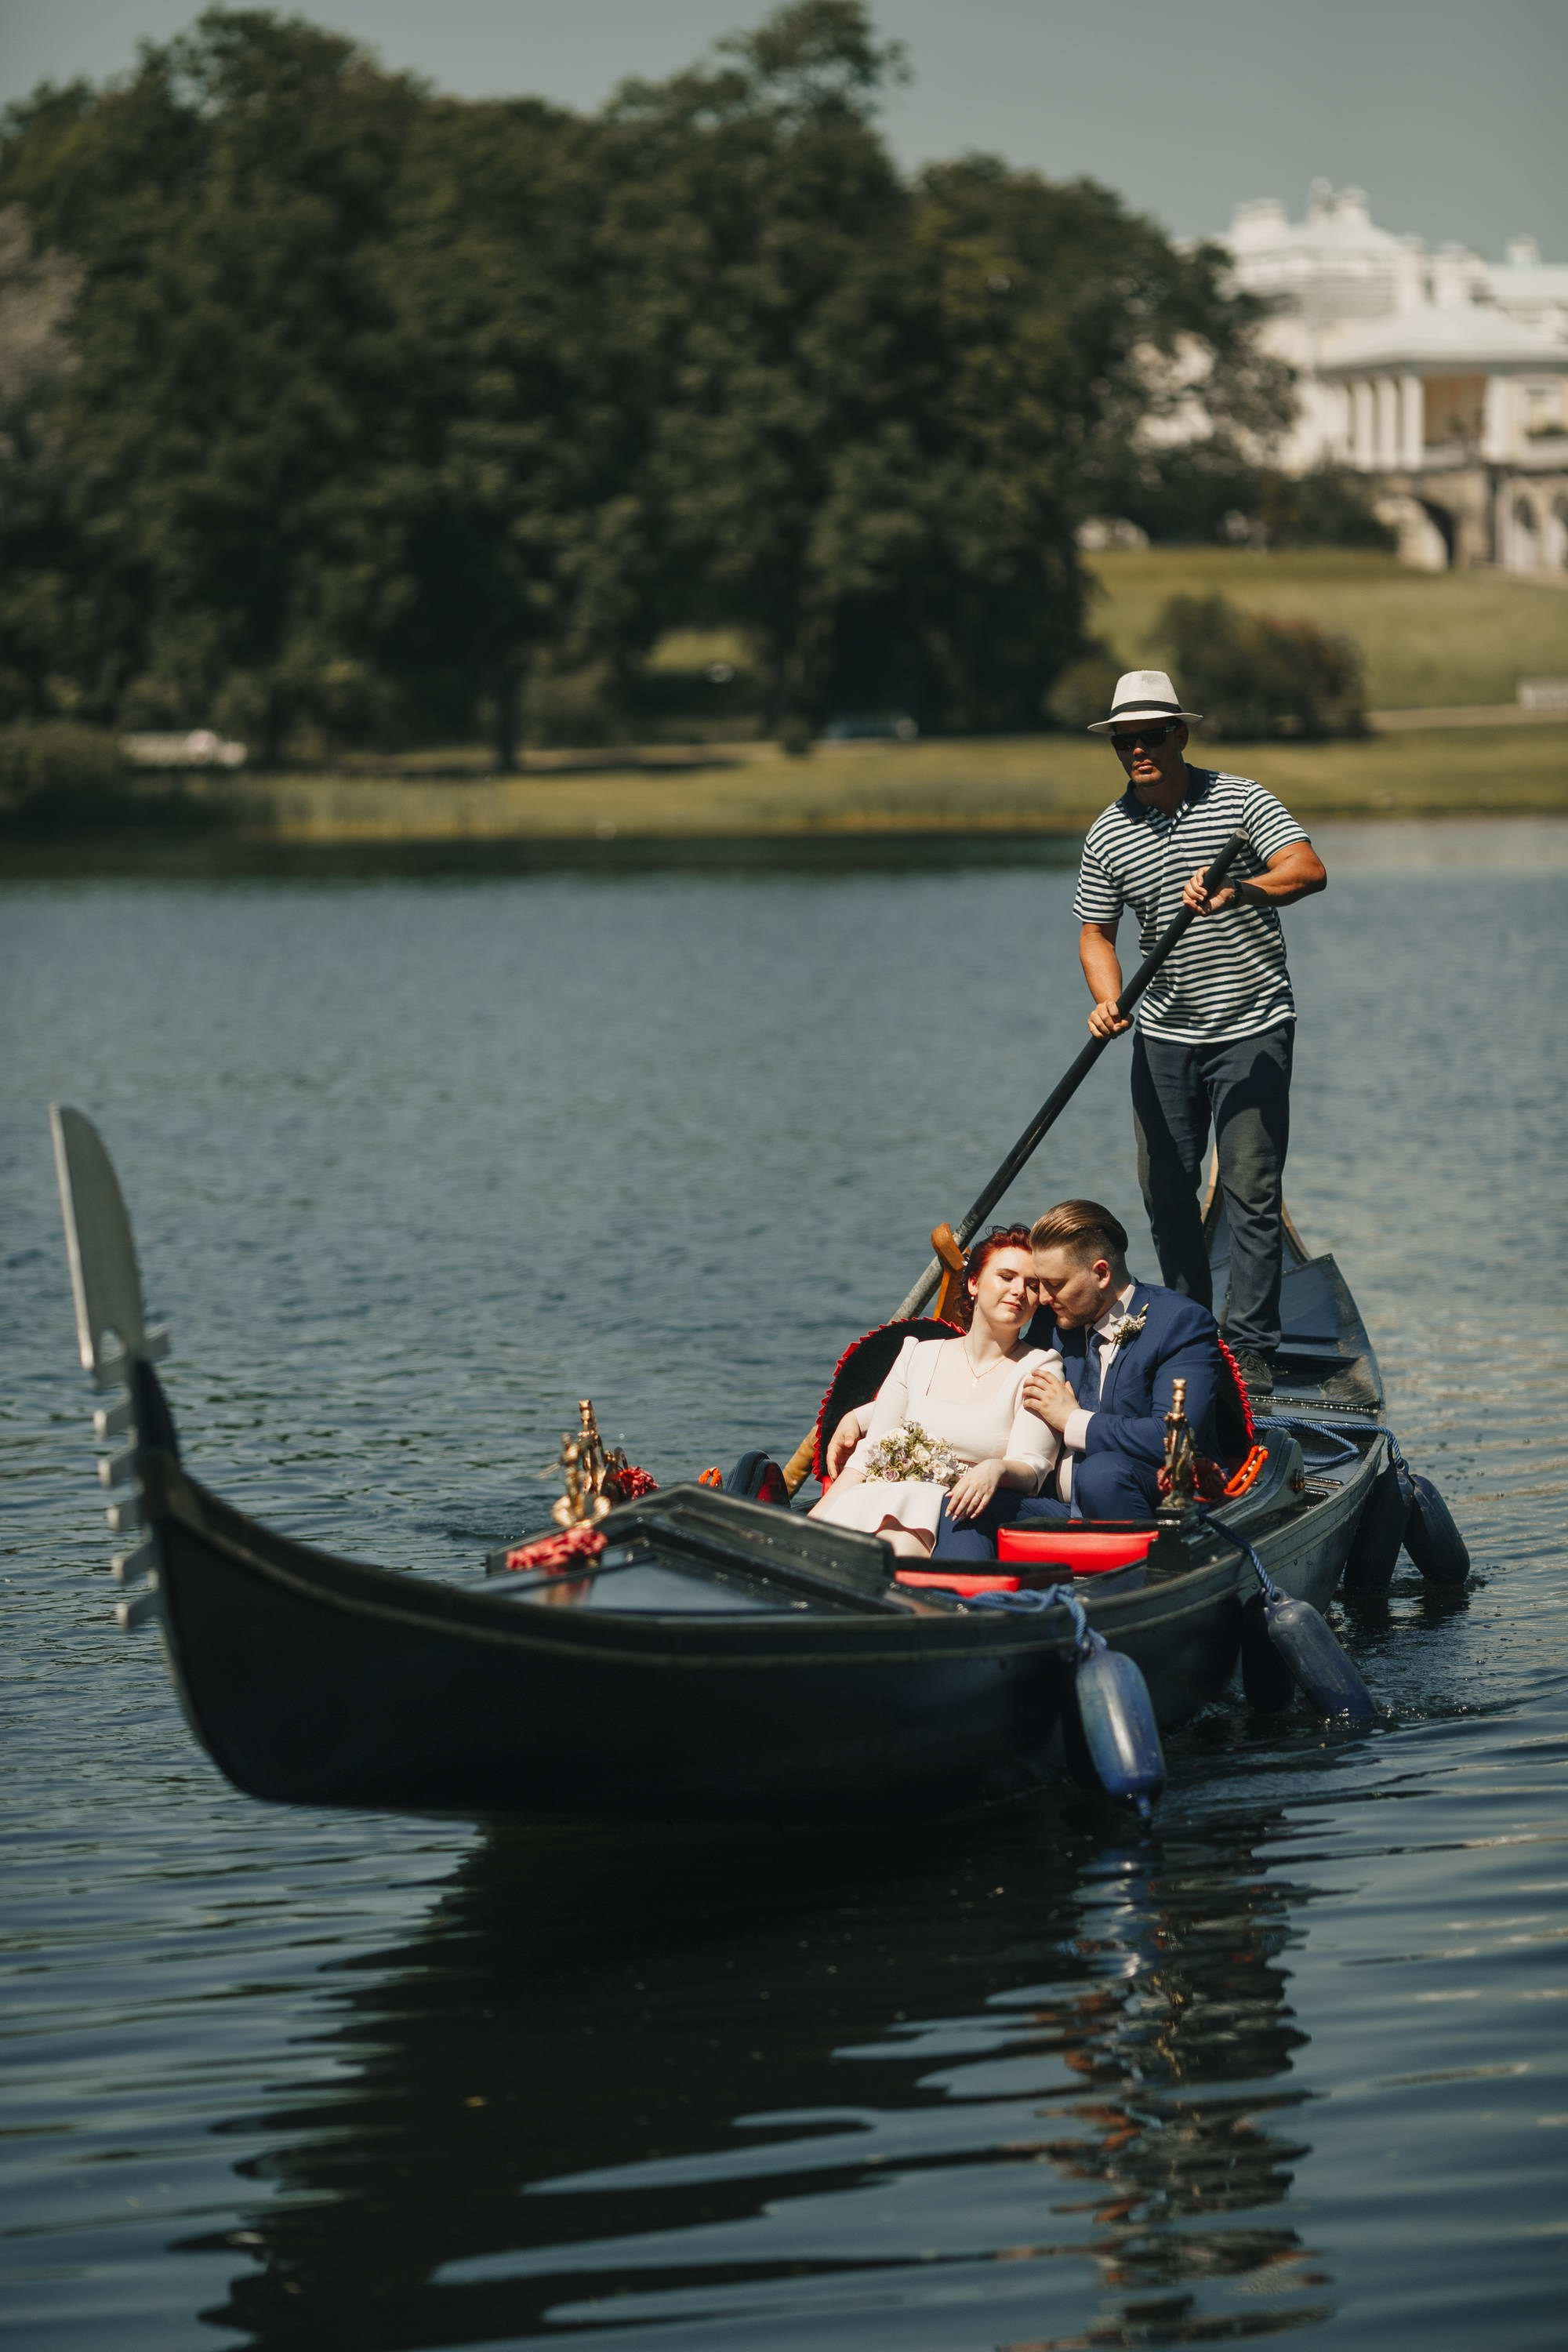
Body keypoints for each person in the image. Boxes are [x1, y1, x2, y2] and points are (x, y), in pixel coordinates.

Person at [1077, 669, 1327, 1399]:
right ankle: (1191, 1327)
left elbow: (1308, 870)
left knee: (1251, 1189)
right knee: (1165, 1192)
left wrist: (1239, 890)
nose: (1140, 750)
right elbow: (1097, 933)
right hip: (1163, 1035)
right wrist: (1107, 999)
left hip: (1252, 1026)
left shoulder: (1241, 799)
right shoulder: (1109, 831)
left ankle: (1247, 1349)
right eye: (1127, 740)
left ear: (1180, 735)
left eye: (1153, 736)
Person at [821, 1200, 1245, 1553]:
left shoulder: (1179, 1323)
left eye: (1051, 1284)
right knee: (965, 1502)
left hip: (1147, 1493)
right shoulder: (1056, 1317)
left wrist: (1072, 1421)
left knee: (1104, 1474)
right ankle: (955, 1599)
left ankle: (1129, 1588)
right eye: (1036, 1284)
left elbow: (1174, 1438)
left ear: (1100, 1273)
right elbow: (984, 1384)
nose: (1038, 1297)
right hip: (1053, 1499)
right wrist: (866, 1415)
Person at [810, 1228, 1062, 1559]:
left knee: (897, 1541)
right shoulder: (918, 1354)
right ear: (973, 1283)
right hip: (880, 1494)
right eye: (1006, 1277)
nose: (1019, 1292)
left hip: (953, 1511)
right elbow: (873, 1450)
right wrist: (818, 1517)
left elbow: (1032, 1467)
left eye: (1032, 1285)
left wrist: (996, 1469)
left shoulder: (1039, 1366)